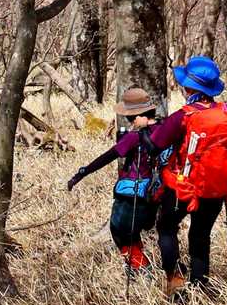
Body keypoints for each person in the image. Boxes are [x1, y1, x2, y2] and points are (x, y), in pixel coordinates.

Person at [148, 56, 227, 296]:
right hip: (216, 188)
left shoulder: (183, 116)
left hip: (183, 187)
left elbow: (155, 144)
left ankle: (175, 281)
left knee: (166, 227)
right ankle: (201, 285)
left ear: (190, 88)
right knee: (201, 233)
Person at [64, 87, 164, 280]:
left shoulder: (135, 137)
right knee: (132, 232)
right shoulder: (164, 129)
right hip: (158, 192)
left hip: (132, 193)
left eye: (128, 116)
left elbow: (107, 156)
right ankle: (139, 268)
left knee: (119, 231)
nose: (128, 120)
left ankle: (142, 270)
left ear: (136, 116)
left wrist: (81, 173)